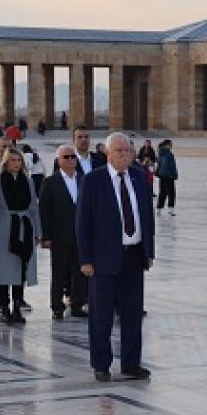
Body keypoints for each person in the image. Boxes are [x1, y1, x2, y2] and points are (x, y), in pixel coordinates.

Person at [77, 132, 155, 382]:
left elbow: (147, 215)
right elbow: (83, 222)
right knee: (101, 315)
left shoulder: (139, 177)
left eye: (127, 151)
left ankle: (131, 363)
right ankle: (101, 364)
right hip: (103, 258)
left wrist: (149, 251)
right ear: (108, 154)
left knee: (132, 313)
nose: (124, 155)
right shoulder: (93, 180)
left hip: (134, 254)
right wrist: (85, 259)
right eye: (119, 151)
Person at [0, 147, 42, 324]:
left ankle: (17, 306)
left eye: (19, 160)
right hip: (3, 229)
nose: (16, 164)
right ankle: (4, 307)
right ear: (6, 162)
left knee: (21, 268)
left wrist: (38, 231)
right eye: (12, 160)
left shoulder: (28, 181)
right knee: (3, 270)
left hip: (24, 228)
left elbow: (34, 207)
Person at [40, 145, 88, 319]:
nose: (70, 160)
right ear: (58, 160)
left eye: (72, 157)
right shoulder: (50, 182)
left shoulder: (84, 179)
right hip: (59, 235)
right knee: (59, 272)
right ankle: (57, 306)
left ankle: (77, 304)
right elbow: (44, 210)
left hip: (80, 235)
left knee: (80, 271)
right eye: (66, 157)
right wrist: (45, 236)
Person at [155, 139, 178, 216]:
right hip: (169, 175)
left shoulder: (160, 153)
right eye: (170, 144)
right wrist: (175, 175)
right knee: (171, 193)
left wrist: (158, 173)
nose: (171, 146)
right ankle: (170, 209)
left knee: (162, 192)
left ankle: (159, 208)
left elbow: (159, 164)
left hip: (162, 175)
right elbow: (172, 166)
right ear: (166, 145)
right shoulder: (169, 154)